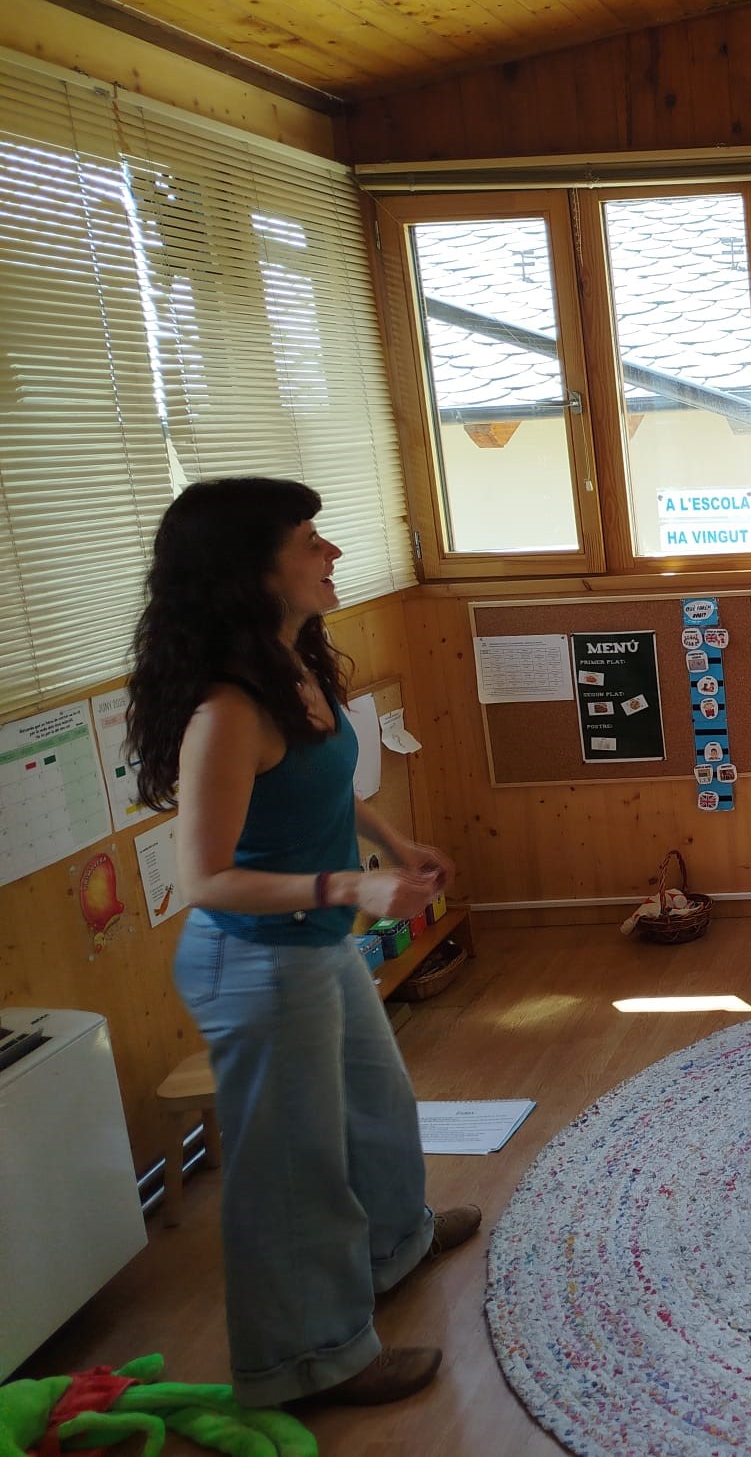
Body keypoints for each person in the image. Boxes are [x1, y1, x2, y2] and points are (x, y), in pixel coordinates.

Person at [126, 478, 478, 1408]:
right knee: (293, 1172)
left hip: (314, 949)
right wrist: (350, 886)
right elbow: (206, 879)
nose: (332, 553)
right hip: (255, 962)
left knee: (378, 1109)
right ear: (251, 572)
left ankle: (395, 1247)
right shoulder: (225, 712)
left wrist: (393, 842)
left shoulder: (298, 666)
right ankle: (311, 1360)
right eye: (309, 542)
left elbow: (324, 783)